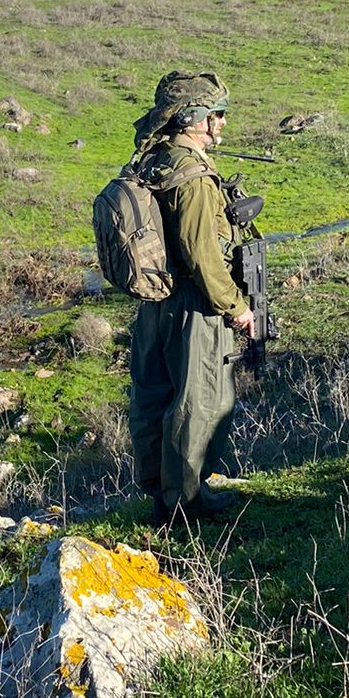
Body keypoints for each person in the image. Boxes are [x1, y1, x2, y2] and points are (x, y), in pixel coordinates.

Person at [127, 71, 257, 525]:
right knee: (199, 400)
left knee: (153, 394)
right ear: (195, 118)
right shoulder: (195, 177)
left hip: (153, 301)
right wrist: (238, 309)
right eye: (216, 114)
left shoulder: (153, 160)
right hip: (191, 304)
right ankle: (186, 501)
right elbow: (203, 255)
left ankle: (160, 496)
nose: (221, 123)